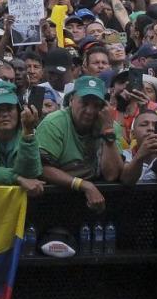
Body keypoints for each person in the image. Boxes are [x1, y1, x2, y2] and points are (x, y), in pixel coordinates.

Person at [35, 76, 121, 209]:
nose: (90, 111)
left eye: (97, 105)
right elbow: (42, 169)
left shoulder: (110, 126)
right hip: (56, 200)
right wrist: (82, 184)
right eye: (84, 103)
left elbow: (112, 175)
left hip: (100, 201)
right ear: (71, 100)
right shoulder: (54, 123)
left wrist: (108, 131)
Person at [0, 81, 43, 194]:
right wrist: (17, 178)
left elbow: (31, 174)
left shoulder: (29, 130)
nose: (4, 114)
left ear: (18, 111)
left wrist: (28, 133)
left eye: (9, 108)